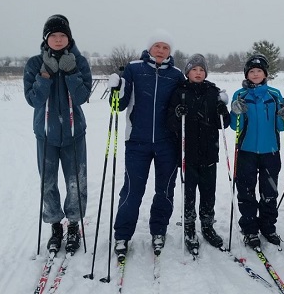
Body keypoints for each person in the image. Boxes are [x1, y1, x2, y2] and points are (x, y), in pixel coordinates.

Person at [108, 30, 185, 257]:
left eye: (165, 48)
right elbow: (118, 106)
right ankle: (122, 235)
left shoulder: (177, 74)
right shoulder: (134, 68)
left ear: (170, 51)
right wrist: (115, 89)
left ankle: (158, 231)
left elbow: (184, 101)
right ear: (149, 48)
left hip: (167, 143)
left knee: (165, 190)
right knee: (132, 190)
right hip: (137, 142)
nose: (161, 51)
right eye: (157, 46)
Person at [24, 15, 92, 254]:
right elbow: (33, 100)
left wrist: (72, 72)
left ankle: (73, 225)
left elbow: (83, 97)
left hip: (74, 133)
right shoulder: (34, 64)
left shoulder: (79, 62)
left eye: (62, 35)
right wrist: (45, 76)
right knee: (48, 182)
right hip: (46, 134)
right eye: (53, 35)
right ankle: (55, 225)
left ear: (69, 38)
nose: (58, 39)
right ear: (46, 38)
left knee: (76, 181)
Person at [167, 54, 230, 254]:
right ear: (187, 72)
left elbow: (225, 124)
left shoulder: (213, 91)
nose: (198, 73)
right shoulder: (180, 92)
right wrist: (178, 113)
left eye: (201, 70)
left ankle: (207, 225)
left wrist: (222, 110)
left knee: (208, 191)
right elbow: (170, 122)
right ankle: (189, 226)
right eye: (194, 69)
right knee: (189, 192)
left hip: (209, 152)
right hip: (187, 153)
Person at [230, 54, 284, 249]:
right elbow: (234, 126)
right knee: (246, 192)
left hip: (270, 152)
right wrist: (235, 111)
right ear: (247, 75)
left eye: (259, 71)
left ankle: (268, 226)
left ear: (265, 74)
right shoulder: (240, 95)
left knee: (269, 192)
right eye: (252, 71)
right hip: (246, 152)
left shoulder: (274, 94)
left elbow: (283, 127)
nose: (255, 74)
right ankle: (249, 229)